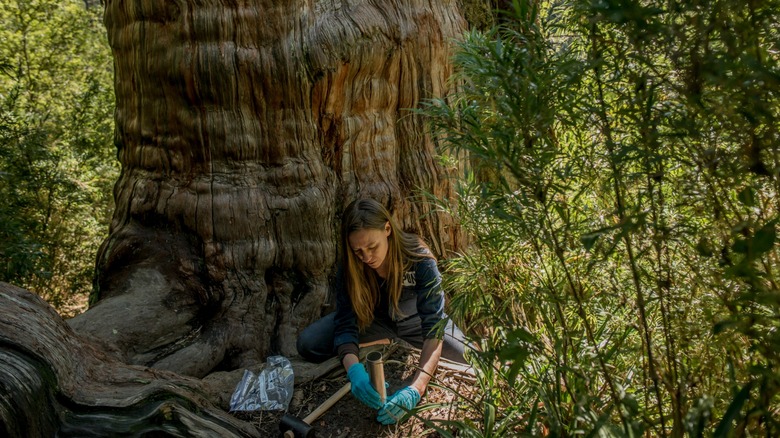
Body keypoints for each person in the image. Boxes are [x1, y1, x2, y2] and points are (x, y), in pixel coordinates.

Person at [296, 198, 469, 425]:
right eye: (358, 251)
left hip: (417, 323)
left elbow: (433, 329)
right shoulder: (350, 266)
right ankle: (387, 340)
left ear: (387, 229)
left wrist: (416, 389)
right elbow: (346, 324)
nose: (367, 257)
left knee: (468, 358)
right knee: (309, 343)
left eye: (372, 247)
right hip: (373, 322)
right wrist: (354, 371)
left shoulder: (419, 259)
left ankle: (398, 342)